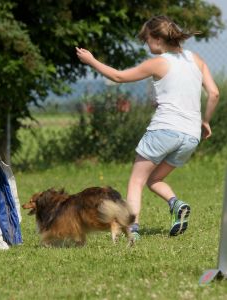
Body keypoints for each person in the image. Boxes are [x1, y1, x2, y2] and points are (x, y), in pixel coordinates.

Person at [76, 15, 219, 240]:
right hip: (190, 135)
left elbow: (118, 76)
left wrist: (91, 60)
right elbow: (214, 93)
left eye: (146, 39)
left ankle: (132, 230)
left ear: (157, 38)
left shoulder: (159, 62)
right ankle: (176, 204)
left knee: (137, 180)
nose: (146, 44)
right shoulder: (196, 59)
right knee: (154, 179)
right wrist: (206, 121)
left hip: (164, 130)